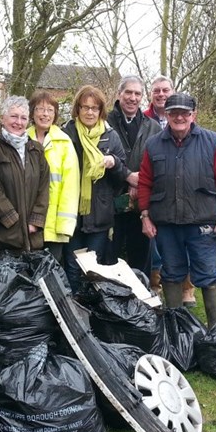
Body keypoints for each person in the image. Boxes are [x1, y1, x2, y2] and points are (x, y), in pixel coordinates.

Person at [138, 93, 216, 326]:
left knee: (208, 274)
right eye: (173, 113)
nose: (179, 117)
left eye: (184, 113)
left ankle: (215, 327)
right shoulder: (153, 145)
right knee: (170, 273)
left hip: (203, 223)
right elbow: (144, 183)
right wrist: (145, 216)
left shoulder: (211, 142)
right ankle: (176, 326)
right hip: (167, 224)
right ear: (167, 115)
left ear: (194, 115)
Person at [61, 85, 128, 292]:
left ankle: (91, 310)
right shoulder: (66, 134)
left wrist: (114, 163)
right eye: (85, 107)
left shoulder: (111, 136)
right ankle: (74, 309)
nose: (89, 112)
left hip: (99, 215)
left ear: (101, 111)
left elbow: (122, 178)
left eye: (94, 108)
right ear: (77, 109)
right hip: (72, 215)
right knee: (72, 266)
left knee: (93, 268)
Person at [142, 75, 196, 304]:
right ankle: (156, 284)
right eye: (156, 91)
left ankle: (187, 288)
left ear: (172, 92)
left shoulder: (185, 119)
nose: (161, 94)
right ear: (151, 94)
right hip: (156, 190)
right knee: (157, 245)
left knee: (185, 242)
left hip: (185, 192)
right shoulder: (145, 120)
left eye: (165, 90)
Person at [107, 75, 161, 275]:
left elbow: (157, 161)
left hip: (141, 202)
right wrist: (128, 176)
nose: (132, 97)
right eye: (128, 92)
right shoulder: (105, 122)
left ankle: (141, 299)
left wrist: (140, 183)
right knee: (110, 257)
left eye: (137, 93)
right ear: (119, 94)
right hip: (110, 201)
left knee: (140, 257)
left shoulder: (152, 126)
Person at [0, 95, 50, 258]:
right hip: (4, 236)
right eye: (14, 116)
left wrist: (35, 221)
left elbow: (44, 188)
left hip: (32, 237)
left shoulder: (36, 150)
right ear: (2, 118)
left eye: (23, 118)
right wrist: (12, 220)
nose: (19, 122)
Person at [27, 90, 80, 263]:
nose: (45, 114)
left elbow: (70, 188)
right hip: (26, 223)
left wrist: (64, 226)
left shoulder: (64, 143)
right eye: (40, 109)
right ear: (32, 112)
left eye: (50, 110)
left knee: (50, 276)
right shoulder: (22, 139)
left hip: (53, 225)